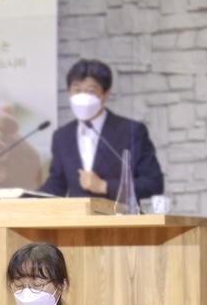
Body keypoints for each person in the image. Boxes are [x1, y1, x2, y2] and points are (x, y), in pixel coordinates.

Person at [39, 58, 164, 201]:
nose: (82, 97)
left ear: (105, 94)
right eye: (77, 90)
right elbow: (56, 186)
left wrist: (105, 186)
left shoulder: (131, 131)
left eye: (90, 91)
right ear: (69, 92)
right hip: (77, 215)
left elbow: (153, 183)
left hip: (118, 214)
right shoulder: (62, 136)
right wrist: (25, 198)